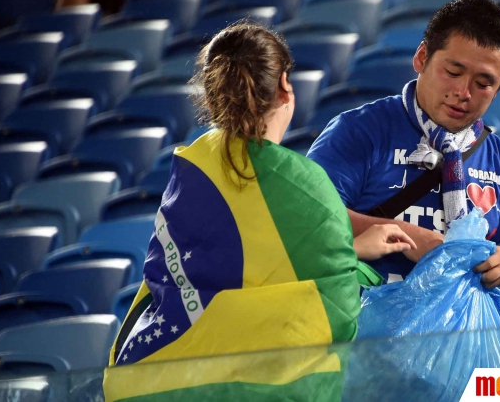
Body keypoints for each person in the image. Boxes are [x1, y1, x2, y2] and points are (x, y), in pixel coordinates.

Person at [105, 22, 415, 402]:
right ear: (285, 85)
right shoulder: (306, 184)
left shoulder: (194, 163)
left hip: (153, 379)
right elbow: (333, 306)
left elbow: (222, 270)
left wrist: (356, 249)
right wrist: (360, 269)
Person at [307, 0, 500, 291]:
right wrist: (401, 234)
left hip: (461, 331)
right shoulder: (360, 131)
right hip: (364, 329)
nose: (463, 92)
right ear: (422, 57)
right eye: (453, 72)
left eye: (483, 84)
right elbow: (308, 215)